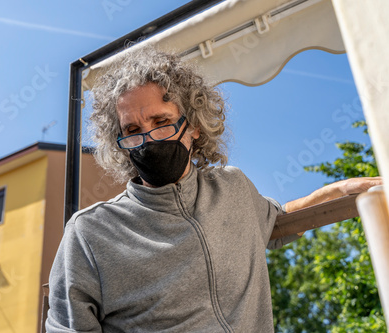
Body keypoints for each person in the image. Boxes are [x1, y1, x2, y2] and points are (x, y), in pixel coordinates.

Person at [45, 47, 382, 332]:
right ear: (119, 143)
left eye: (161, 122)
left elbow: (280, 222)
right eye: (133, 130)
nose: (148, 140)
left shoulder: (232, 189)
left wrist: (345, 189)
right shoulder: (90, 234)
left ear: (192, 125)